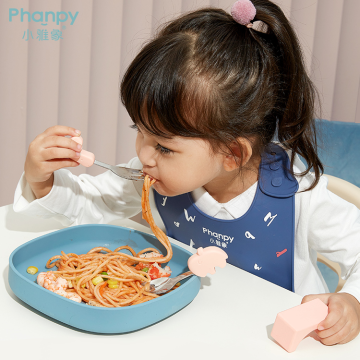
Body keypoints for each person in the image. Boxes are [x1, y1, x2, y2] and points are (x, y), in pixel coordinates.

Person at [14, 0, 360, 346]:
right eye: (139, 131)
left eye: (164, 147)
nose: (143, 156)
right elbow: (91, 204)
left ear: (232, 153)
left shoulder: (299, 197)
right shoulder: (153, 176)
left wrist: (351, 302)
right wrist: (41, 180)